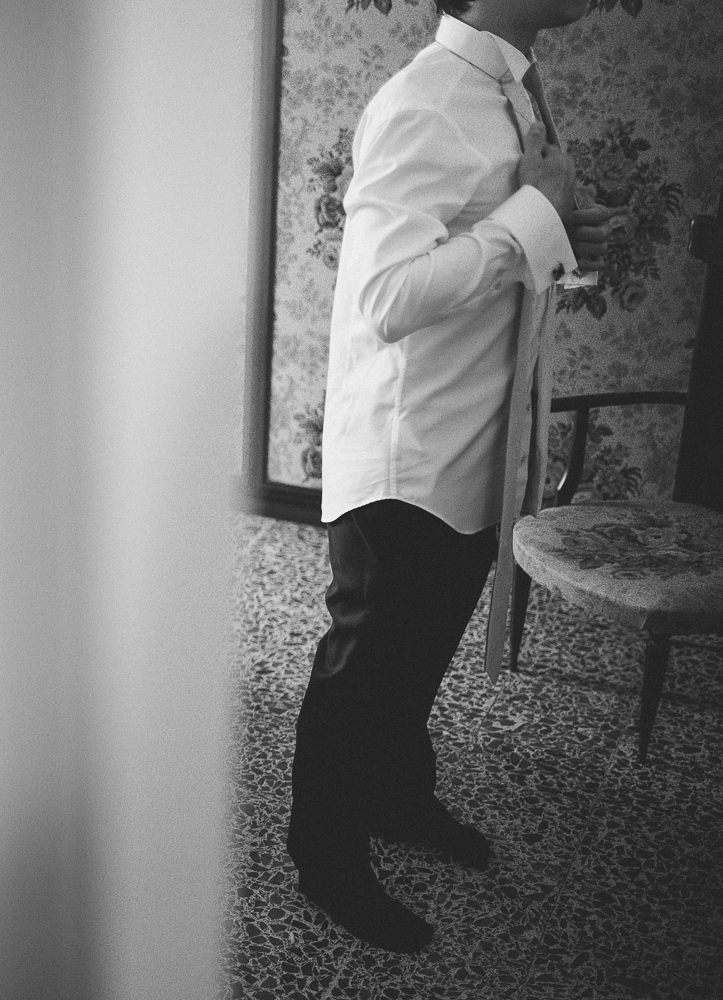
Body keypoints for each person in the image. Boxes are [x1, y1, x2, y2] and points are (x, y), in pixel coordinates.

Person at [286, 0, 617, 954]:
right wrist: (529, 221)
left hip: (477, 442)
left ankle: (396, 796)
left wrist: (560, 246)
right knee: (366, 666)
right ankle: (327, 858)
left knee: (419, 651)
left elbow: (498, 250)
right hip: (410, 453)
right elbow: (385, 297)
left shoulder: (511, 94)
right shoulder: (426, 103)